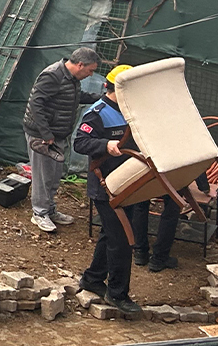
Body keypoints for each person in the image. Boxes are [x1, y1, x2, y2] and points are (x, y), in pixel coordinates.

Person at [72, 64, 143, 315]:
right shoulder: (98, 113)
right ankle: (117, 294)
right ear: (117, 89)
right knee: (122, 239)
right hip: (107, 186)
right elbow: (80, 142)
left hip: (131, 182)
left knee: (111, 234)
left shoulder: (132, 110)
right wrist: (106, 144)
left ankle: (93, 278)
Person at [22, 46, 101, 232]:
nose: (91, 75)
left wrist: (101, 98)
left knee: (54, 174)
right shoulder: (53, 75)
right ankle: (39, 213)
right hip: (42, 136)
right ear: (80, 65)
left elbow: (75, 97)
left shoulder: (71, 79)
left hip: (58, 134)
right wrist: (46, 133)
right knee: (43, 176)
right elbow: (36, 103)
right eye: (90, 70)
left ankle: (49, 209)